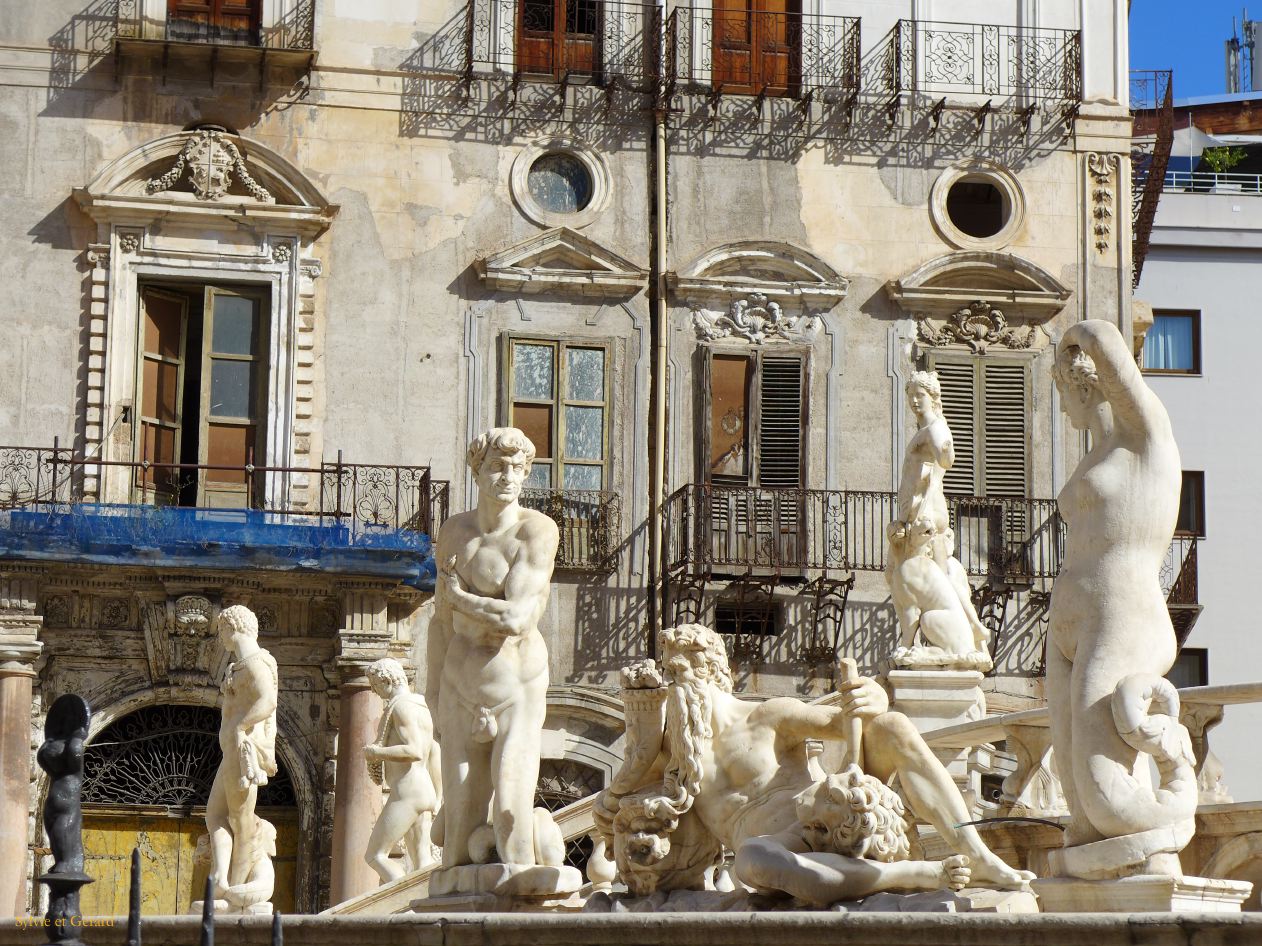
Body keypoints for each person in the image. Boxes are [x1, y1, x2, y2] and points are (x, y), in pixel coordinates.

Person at [596, 624, 1033, 901]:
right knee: (751, 860)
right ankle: (917, 874)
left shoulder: (768, 716)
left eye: (680, 671)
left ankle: (976, 854)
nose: (675, 684)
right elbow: (623, 804)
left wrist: (875, 696)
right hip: (784, 850)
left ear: (709, 673)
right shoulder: (675, 754)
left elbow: (849, 720)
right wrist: (613, 794)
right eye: (672, 673)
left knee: (893, 726)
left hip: (837, 811)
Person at [1046, 320, 1197, 862]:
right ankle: (1089, 893)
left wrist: (1074, 336)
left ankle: (1177, 775)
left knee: (1107, 800)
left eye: (1063, 392)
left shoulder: (1147, 434)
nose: (1063, 410)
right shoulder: (1099, 451)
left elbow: (1106, 340)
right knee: (1082, 815)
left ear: (1086, 384)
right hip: (1073, 625)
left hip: (1122, 619)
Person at [428, 428, 561, 868]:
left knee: (509, 817)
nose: (507, 477)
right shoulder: (453, 533)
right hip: (458, 687)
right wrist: (432, 692)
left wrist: (461, 598)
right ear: (477, 472)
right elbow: (441, 623)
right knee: (456, 844)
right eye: (497, 467)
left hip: (514, 689)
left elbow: (519, 618)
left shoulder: (536, 532)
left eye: (517, 469)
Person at [206, 605, 278, 903]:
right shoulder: (240, 665)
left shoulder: (257, 662)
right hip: (231, 752)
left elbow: (268, 701)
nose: (220, 636)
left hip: (242, 750)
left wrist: (240, 726)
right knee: (216, 814)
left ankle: (238, 884)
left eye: (221, 629)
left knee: (241, 819)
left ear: (232, 628)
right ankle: (220, 878)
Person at [363, 657, 441, 881]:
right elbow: (434, 752)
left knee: (376, 855)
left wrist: (376, 753)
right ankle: (424, 909)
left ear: (387, 680)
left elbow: (415, 750)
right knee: (422, 862)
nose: (376, 692)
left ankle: (404, 904)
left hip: (407, 793)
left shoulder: (402, 707)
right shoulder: (422, 706)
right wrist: (437, 796)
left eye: (376, 686)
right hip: (423, 790)